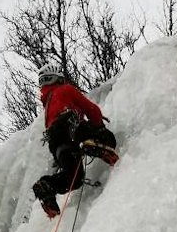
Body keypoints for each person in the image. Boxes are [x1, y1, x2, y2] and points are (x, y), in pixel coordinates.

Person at [32, 65, 118, 218]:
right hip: (71, 126)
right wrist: (99, 127)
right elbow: (91, 109)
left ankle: (47, 185)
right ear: (57, 78)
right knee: (108, 138)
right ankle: (90, 142)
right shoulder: (64, 89)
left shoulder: (48, 106)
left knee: (74, 178)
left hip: (56, 142)